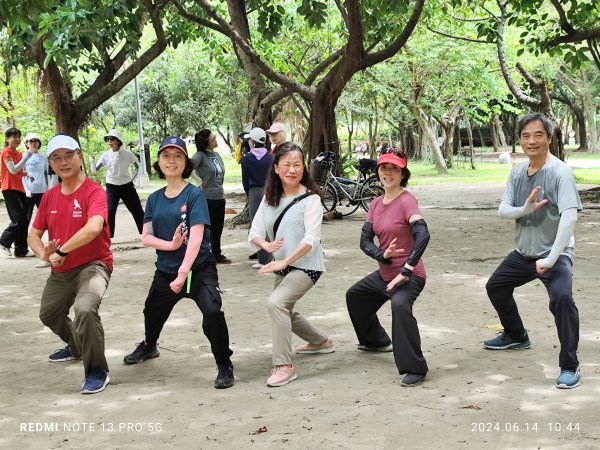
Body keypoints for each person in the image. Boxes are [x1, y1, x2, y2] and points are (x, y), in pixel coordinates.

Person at [123, 136, 234, 389]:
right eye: (166, 156)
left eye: (177, 156)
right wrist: (171, 246)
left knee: (213, 311)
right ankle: (150, 346)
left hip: (197, 269)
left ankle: (224, 363)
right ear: (158, 162)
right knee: (151, 311)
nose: (171, 161)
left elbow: (196, 238)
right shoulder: (153, 198)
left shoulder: (195, 195)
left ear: (186, 162)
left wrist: (183, 273)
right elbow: (147, 237)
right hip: (166, 270)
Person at [483, 113, 583, 389]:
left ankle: (570, 365)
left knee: (562, 299)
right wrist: (523, 209)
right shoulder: (517, 171)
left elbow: (570, 217)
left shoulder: (559, 171)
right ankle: (516, 335)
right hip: (523, 253)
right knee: (496, 287)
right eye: (526, 135)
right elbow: (503, 210)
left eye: (538, 135)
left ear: (549, 138)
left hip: (555, 254)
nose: (532, 141)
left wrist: (551, 258)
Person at [27, 134, 113, 394]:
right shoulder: (50, 196)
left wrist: (62, 249)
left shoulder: (94, 191)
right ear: (50, 163)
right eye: (56, 158)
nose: (63, 162)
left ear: (79, 157)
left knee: (85, 308)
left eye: (68, 156)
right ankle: (77, 345)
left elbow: (94, 227)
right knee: (48, 313)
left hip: (94, 264)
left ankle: (97, 370)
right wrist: (45, 254)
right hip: (62, 269)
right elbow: (33, 234)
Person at [249, 142, 334, 387]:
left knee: (276, 303)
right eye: (286, 164)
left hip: (307, 265)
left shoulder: (311, 200)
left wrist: (284, 260)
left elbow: (312, 239)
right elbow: (253, 232)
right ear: (275, 168)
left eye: (297, 164)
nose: (292, 169)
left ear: (303, 168)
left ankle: (284, 365)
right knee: (283, 309)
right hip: (282, 264)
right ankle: (320, 342)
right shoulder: (269, 199)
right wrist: (265, 247)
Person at [346, 148, 431, 387]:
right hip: (385, 274)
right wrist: (381, 255)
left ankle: (416, 368)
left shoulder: (407, 201)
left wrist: (406, 270)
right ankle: (375, 340)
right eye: (384, 167)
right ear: (378, 172)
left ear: (403, 173)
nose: (388, 172)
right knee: (355, 296)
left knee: (399, 304)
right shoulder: (374, 204)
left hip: (409, 276)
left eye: (394, 168)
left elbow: (422, 233)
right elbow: (364, 241)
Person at [90, 129, 144, 238]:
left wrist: (136, 181)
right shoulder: (105, 155)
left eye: (112, 139)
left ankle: (145, 232)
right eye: (108, 139)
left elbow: (138, 167)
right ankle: (109, 236)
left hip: (127, 185)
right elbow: (95, 170)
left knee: (137, 209)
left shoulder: (128, 154)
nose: (109, 141)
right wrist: (92, 161)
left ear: (118, 141)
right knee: (109, 212)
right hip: (112, 186)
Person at [191, 129, 231, 264]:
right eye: (212, 138)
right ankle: (204, 255)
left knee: (218, 228)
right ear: (206, 142)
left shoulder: (216, 155)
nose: (215, 139)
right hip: (206, 198)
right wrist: (199, 181)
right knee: (206, 229)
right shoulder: (200, 155)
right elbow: (187, 168)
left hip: (219, 197)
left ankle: (216, 254)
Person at [241, 127, 273, 268]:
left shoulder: (247, 159)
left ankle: (263, 260)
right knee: (269, 222)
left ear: (252, 142)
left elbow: (244, 180)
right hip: (270, 191)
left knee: (257, 224)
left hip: (254, 191)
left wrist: (249, 193)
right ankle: (270, 256)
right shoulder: (270, 158)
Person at [1, 127, 32, 257]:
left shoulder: (18, 153)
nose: (17, 139)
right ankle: (4, 242)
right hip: (9, 188)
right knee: (18, 218)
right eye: (14, 136)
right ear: (7, 139)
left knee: (24, 219)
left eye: (19, 137)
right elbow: (12, 170)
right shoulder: (6, 152)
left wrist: (26, 174)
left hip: (19, 188)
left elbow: (18, 171)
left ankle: (21, 250)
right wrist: (27, 156)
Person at [22, 133, 49, 224]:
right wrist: (26, 190)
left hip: (42, 191)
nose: (33, 143)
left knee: (46, 217)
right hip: (29, 192)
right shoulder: (23, 157)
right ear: (27, 144)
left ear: (39, 143)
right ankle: (23, 238)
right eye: (31, 141)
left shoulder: (43, 158)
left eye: (35, 141)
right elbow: (20, 175)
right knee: (26, 218)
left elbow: (47, 174)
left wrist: (48, 189)